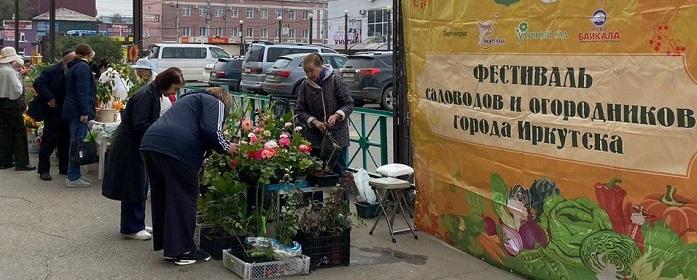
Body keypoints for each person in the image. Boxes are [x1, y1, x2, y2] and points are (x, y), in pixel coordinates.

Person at [140, 87, 238, 266]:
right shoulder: (216, 102)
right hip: (177, 149)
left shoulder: (189, 99)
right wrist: (227, 147)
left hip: (151, 143)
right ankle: (184, 250)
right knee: (184, 198)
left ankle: (169, 246)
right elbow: (211, 130)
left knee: (164, 196)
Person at [102, 67, 184, 241]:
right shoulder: (146, 95)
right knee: (133, 184)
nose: (174, 92)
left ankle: (137, 222)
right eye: (175, 88)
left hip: (136, 145)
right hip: (130, 147)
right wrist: (159, 133)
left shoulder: (151, 92)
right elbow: (139, 124)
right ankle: (131, 227)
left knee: (139, 183)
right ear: (167, 83)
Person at [295, 53, 354, 176]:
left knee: (338, 174)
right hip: (315, 139)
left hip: (336, 139)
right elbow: (300, 110)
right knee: (316, 175)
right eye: (306, 72)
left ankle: (340, 195)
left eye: (312, 71)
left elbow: (348, 104)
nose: (309, 75)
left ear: (320, 66)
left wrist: (336, 116)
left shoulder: (335, 80)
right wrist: (314, 122)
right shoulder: (305, 85)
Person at [33, 50, 76, 181]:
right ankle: (44, 170)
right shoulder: (51, 70)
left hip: (67, 110)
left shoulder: (73, 71)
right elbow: (38, 83)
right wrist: (49, 97)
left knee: (65, 140)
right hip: (53, 110)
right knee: (49, 140)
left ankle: (64, 167)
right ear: (66, 61)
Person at [63, 44, 97, 188]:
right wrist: (84, 112)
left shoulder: (74, 66)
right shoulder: (83, 67)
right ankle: (73, 176)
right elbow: (82, 91)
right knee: (77, 142)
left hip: (73, 109)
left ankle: (74, 174)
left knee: (75, 142)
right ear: (88, 54)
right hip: (79, 111)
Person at [0, 46, 35, 171]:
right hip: (12, 104)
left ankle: (4, 161)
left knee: (4, 133)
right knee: (19, 133)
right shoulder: (10, 72)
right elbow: (17, 89)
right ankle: (21, 162)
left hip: (1, 104)